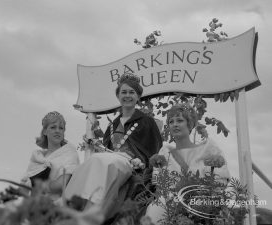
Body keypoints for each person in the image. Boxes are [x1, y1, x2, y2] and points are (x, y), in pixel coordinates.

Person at [64, 73, 163, 220]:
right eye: (124, 92)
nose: (127, 96)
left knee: (104, 161)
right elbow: (107, 147)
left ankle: (92, 211)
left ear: (138, 96)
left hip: (130, 165)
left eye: (131, 92)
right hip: (109, 159)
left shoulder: (147, 122)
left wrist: (143, 165)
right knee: (91, 162)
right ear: (118, 96)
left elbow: (155, 152)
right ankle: (70, 202)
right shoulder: (113, 125)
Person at [145, 103, 230, 224]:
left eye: (180, 120)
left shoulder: (207, 148)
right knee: (155, 208)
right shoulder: (164, 152)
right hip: (170, 204)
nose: (175, 124)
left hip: (202, 202)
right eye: (171, 122)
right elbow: (159, 186)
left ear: (189, 124)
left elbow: (219, 183)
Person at [21, 111, 80, 201]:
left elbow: (61, 184)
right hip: (32, 206)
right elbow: (23, 187)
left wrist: (36, 184)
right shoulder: (37, 157)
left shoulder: (70, 153)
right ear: (45, 131)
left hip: (55, 207)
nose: (57, 131)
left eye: (61, 128)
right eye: (53, 127)